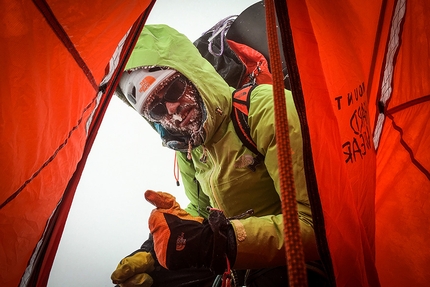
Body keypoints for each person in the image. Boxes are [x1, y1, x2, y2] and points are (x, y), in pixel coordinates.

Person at [111, 24, 326, 287]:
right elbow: (202, 210)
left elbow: (316, 223)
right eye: (156, 110)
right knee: (155, 277)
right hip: (239, 258)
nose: (172, 109)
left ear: (193, 76)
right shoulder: (189, 149)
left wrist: (221, 241)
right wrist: (154, 250)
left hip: (303, 259)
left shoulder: (263, 110)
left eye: (174, 90)